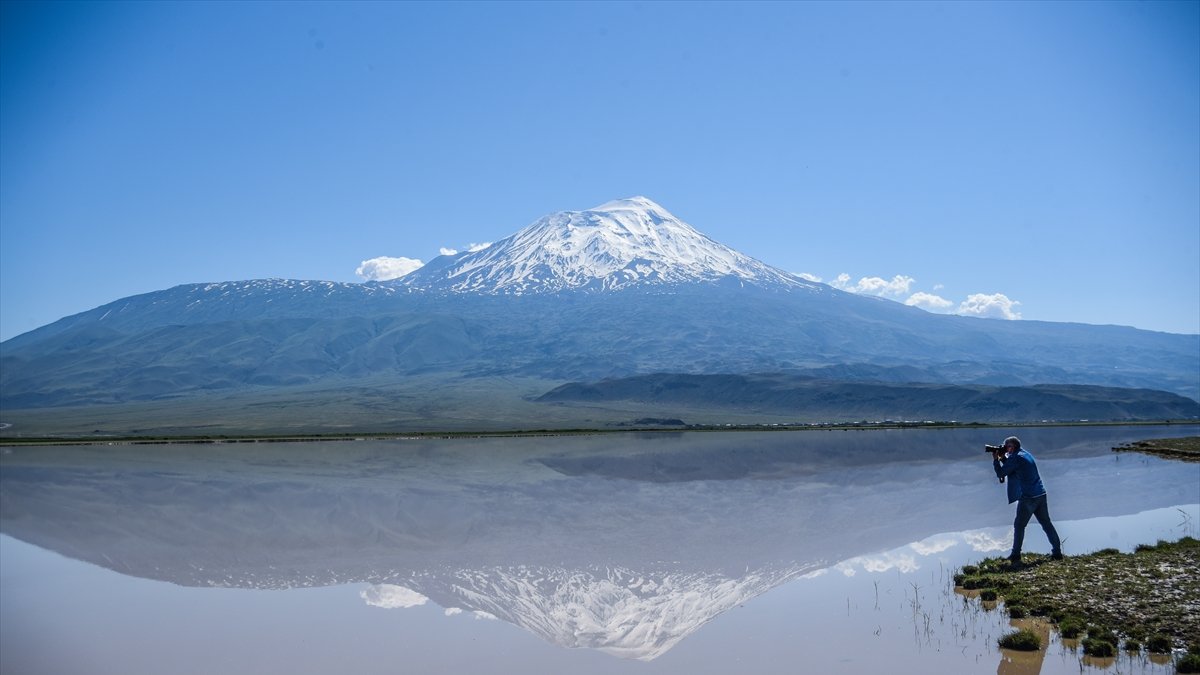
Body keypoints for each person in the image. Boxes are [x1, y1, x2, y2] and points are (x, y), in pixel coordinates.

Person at [990, 436, 1062, 567]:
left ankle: (1015, 555)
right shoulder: (1025, 454)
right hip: (1040, 493)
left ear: (1013, 447)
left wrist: (996, 460)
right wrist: (1004, 457)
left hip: (1028, 497)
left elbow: (1001, 473)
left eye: (1007, 446)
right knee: (1046, 523)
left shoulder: (1015, 457)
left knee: (1019, 526)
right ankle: (1057, 552)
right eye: (1005, 446)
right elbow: (1013, 467)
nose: (1005, 448)